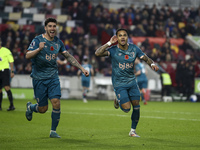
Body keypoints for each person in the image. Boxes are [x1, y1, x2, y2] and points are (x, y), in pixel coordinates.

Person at [25, 18, 89, 138]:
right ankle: (31, 107)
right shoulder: (37, 40)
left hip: (53, 77)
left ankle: (53, 131)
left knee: (56, 103)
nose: (52, 28)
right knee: (43, 109)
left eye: (54, 26)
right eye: (50, 26)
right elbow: (27, 55)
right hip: (39, 78)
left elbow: (69, 57)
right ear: (45, 28)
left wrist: (81, 68)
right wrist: (38, 49)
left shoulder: (58, 42)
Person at [95, 28, 159, 137]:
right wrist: (109, 43)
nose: (122, 37)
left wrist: (152, 64)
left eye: (124, 35)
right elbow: (97, 53)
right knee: (126, 109)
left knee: (137, 106)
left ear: (127, 37)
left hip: (132, 82)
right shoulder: (113, 50)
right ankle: (118, 99)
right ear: (117, 38)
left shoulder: (134, 49)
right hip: (119, 83)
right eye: (120, 35)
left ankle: (132, 131)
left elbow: (145, 58)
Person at [0, 38, 15, 111]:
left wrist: (12, 71)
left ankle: (12, 105)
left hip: (5, 71)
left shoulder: (6, 50)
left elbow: (11, 61)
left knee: (6, 87)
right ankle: (0, 106)